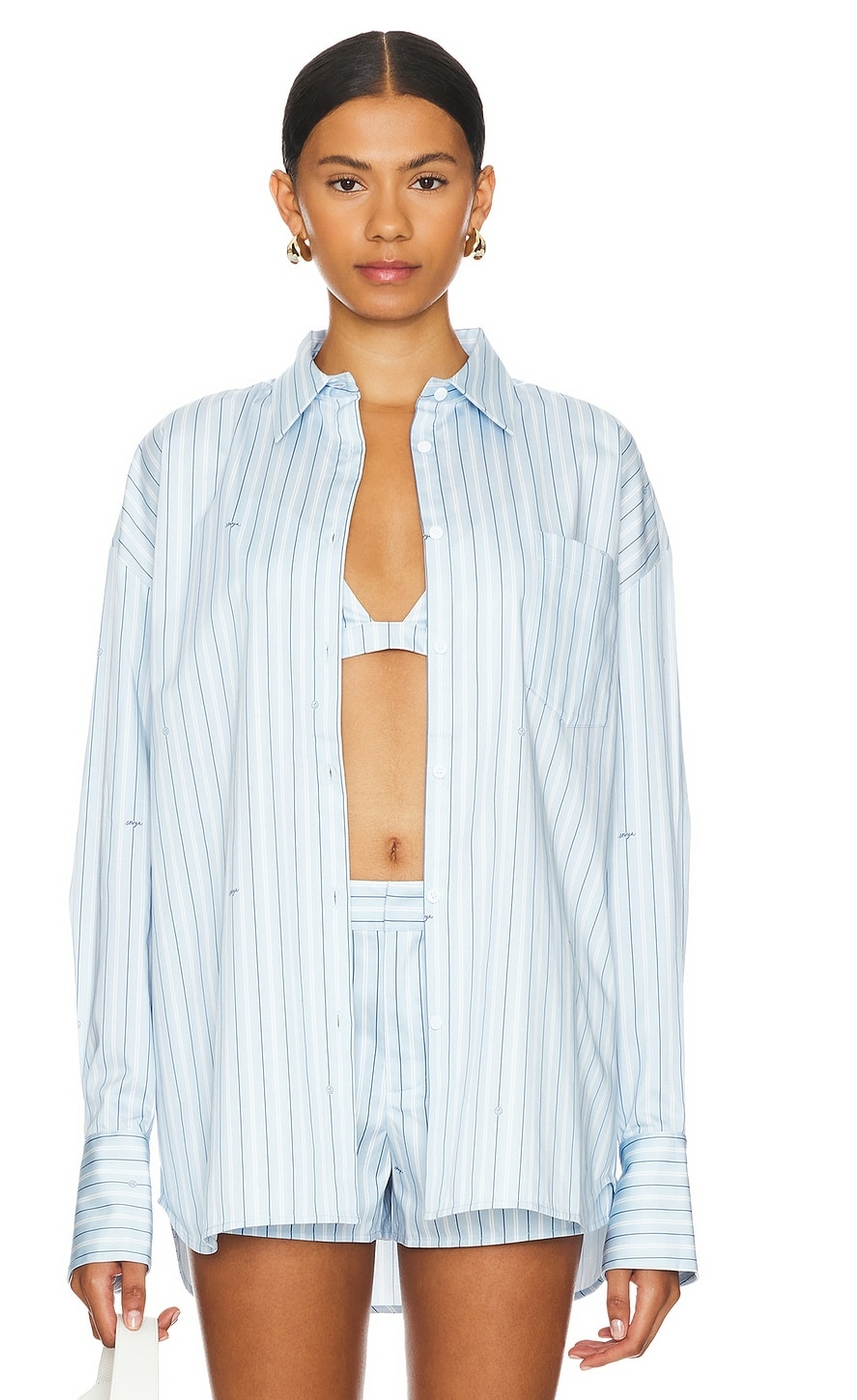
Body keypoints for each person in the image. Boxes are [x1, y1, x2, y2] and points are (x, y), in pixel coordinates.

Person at [67, 30, 697, 1400]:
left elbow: (640, 836)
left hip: (512, 1017)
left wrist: (654, 1176)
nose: (390, 223)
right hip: (262, 1015)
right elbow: (127, 821)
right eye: (346, 181)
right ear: (289, 201)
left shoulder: (588, 466)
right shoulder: (188, 467)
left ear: (481, 196)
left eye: (428, 177)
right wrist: (114, 1169)